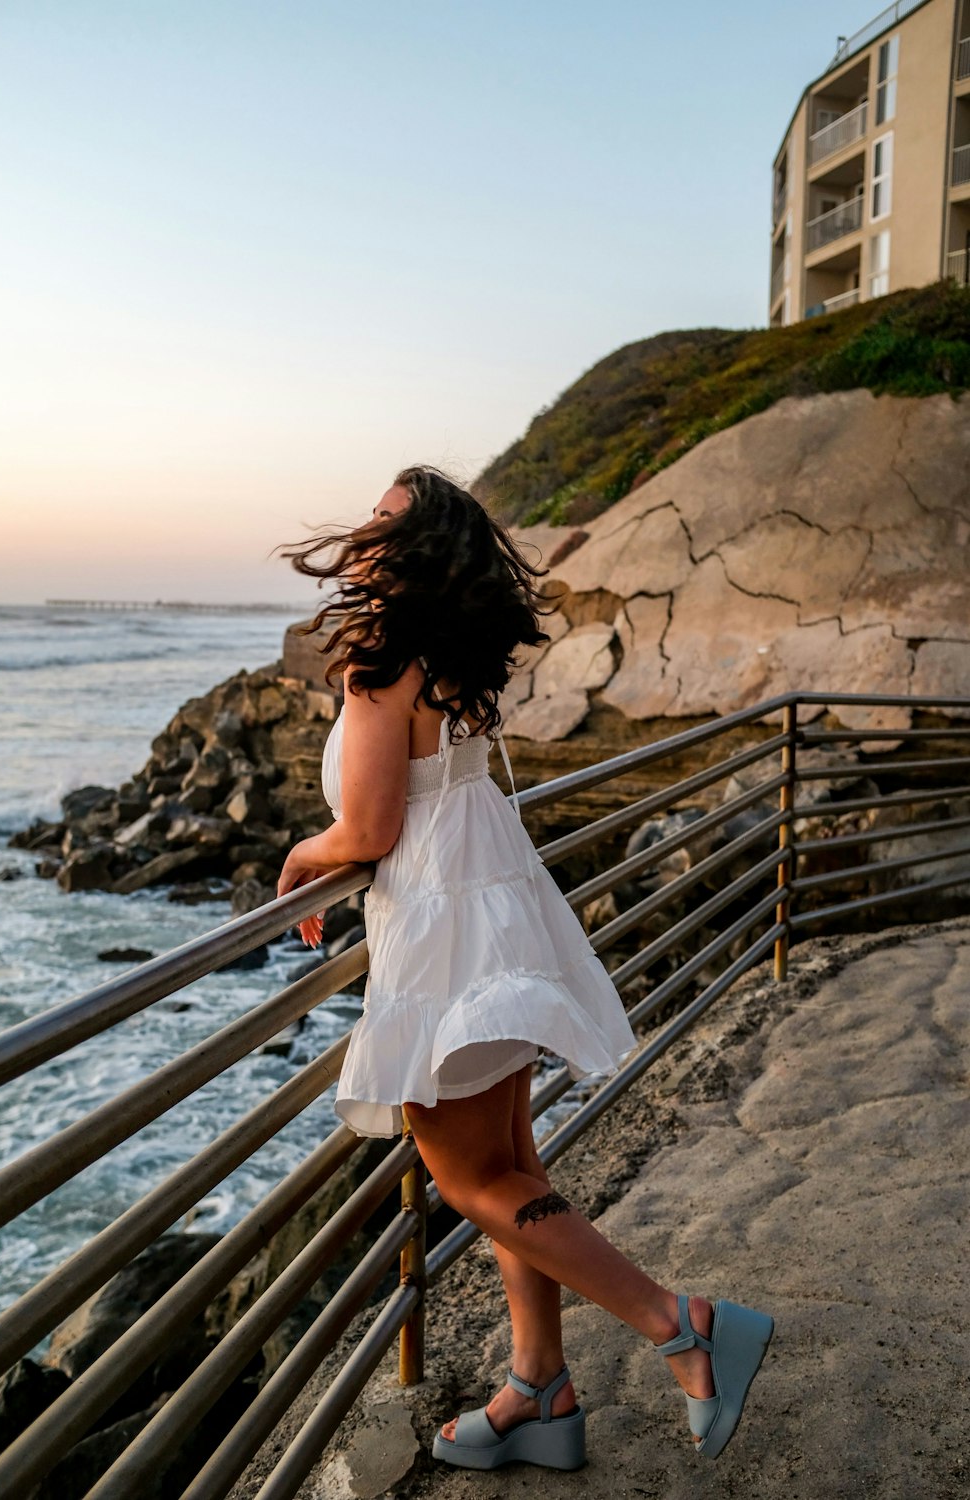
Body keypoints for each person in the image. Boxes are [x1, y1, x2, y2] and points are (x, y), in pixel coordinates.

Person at [276, 466, 773, 1471]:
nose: (365, 527)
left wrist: (303, 858)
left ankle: (680, 1322)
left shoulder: (379, 665)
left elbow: (371, 829)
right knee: (512, 1165)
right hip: (497, 910)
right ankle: (537, 1389)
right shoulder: (453, 658)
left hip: (441, 928)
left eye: (383, 517)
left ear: (413, 550)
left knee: (466, 1178)